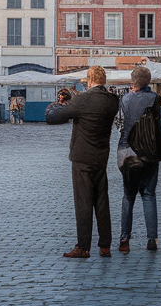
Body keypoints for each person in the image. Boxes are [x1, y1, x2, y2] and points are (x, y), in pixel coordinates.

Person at [46, 67, 120, 259]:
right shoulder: (112, 100)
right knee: (102, 201)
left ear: (89, 80)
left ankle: (83, 246)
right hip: (101, 155)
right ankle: (105, 245)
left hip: (82, 156)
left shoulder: (83, 99)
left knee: (83, 202)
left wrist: (60, 103)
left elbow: (54, 117)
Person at [116, 66, 161, 253]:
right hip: (149, 153)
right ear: (149, 81)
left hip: (127, 152)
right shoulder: (155, 99)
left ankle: (125, 238)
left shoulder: (126, 99)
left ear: (133, 81)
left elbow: (120, 124)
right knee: (149, 194)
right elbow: (160, 123)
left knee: (128, 196)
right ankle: (152, 238)